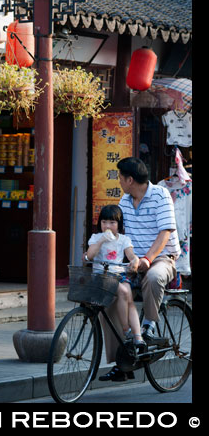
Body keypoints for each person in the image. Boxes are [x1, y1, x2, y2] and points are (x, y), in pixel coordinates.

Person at [98, 157, 180, 382]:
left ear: (129, 179)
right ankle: (122, 360)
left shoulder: (161, 195)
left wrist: (147, 258)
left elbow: (165, 233)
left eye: (120, 177)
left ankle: (149, 326)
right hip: (133, 260)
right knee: (110, 292)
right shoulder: (125, 200)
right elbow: (121, 236)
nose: (120, 181)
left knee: (153, 276)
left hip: (162, 258)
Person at [85, 205, 145, 356]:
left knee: (129, 297)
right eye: (104, 222)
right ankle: (126, 330)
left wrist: (135, 262)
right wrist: (100, 242)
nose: (108, 226)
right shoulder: (95, 238)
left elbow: (131, 256)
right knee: (124, 290)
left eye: (112, 223)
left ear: (119, 225)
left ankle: (138, 337)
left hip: (119, 275)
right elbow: (90, 256)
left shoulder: (124, 240)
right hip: (102, 277)